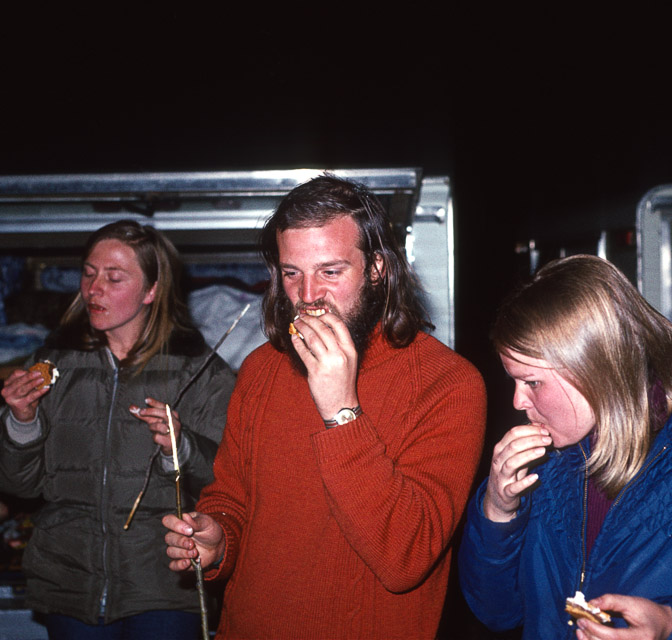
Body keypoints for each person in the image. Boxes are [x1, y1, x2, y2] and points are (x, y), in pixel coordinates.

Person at [162, 174, 487, 638]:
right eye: (292, 273)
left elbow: (405, 559)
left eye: (330, 272)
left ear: (377, 268)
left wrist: (341, 411)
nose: (307, 296)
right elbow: (232, 497)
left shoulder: (448, 383)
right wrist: (218, 539)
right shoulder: (260, 369)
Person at [458, 255, 672, 640]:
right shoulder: (546, 464)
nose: (518, 401)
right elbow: (496, 612)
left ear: (595, 366)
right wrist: (497, 511)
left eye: (532, 382)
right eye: (514, 381)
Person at [0, 221, 235, 639]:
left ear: (151, 291)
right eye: (88, 273)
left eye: (114, 278)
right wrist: (20, 422)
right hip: (71, 585)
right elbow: (13, 484)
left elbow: (229, 483)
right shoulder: (52, 366)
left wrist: (181, 448)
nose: (93, 289)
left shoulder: (199, 371)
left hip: (164, 586)